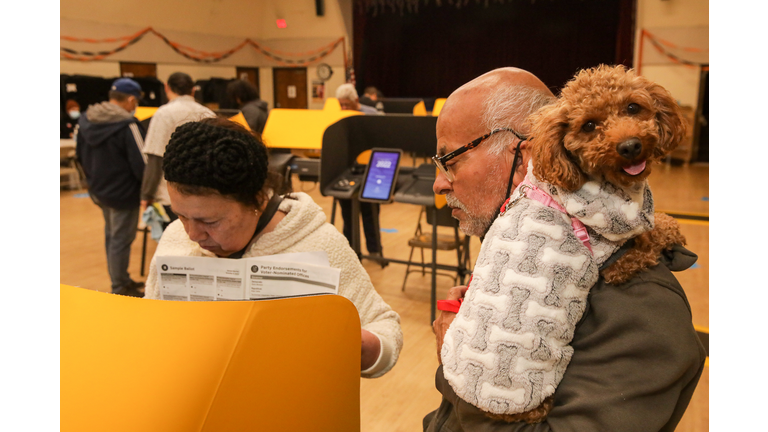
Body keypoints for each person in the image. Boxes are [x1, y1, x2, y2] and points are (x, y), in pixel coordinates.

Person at [423, 67, 707, 431]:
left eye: (451, 160)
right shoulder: (528, 254)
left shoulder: (644, 312)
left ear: (526, 157)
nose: (438, 184)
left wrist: (459, 367)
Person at [143, 117, 403, 378]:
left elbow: (384, 327)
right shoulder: (175, 236)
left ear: (256, 199)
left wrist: (363, 347)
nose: (192, 233)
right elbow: (151, 318)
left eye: (209, 221)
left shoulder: (319, 243)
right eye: (181, 215)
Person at [75, 78, 146, 297]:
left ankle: (121, 279)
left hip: (99, 191)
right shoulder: (128, 124)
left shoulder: (86, 119)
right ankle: (119, 287)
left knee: (111, 236)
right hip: (124, 194)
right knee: (121, 239)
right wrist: (147, 191)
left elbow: (79, 156)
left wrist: (92, 183)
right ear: (131, 100)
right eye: (136, 103)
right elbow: (141, 163)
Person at [140, 72, 215, 227]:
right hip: (206, 192)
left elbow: (155, 158)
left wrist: (146, 194)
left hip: (171, 195)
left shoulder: (163, 114)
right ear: (193, 90)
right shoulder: (208, 113)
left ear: (166, 88)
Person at [335, 83, 385, 263]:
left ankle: (375, 252)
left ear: (356, 100)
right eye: (341, 105)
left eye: (346, 104)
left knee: (371, 214)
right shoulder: (338, 117)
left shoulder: (371, 114)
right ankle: (351, 255)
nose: (343, 108)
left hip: (371, 171)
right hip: (347, 171)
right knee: (348, 216)